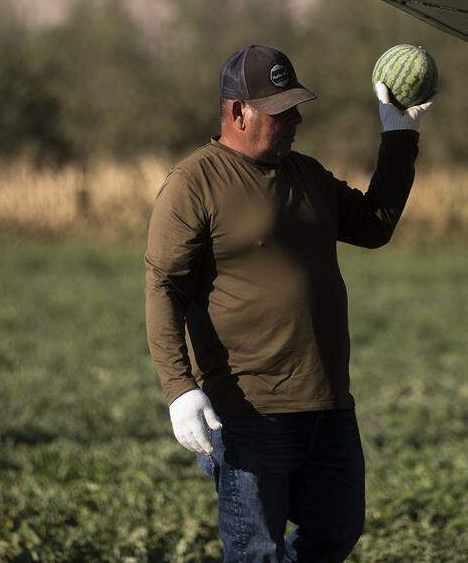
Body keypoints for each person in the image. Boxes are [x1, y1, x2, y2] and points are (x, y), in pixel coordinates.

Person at [145, 45, 432, 561]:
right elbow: (163, 286)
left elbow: (373, 226)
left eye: (296, 105)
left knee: (336, 533)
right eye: (280, 110)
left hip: (327, 404)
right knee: (257, 551)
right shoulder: (193, 183)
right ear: (237, 111)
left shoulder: (307, 174)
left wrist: (399, 135)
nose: (296, 118)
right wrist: (179, 388)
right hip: (250, 410)